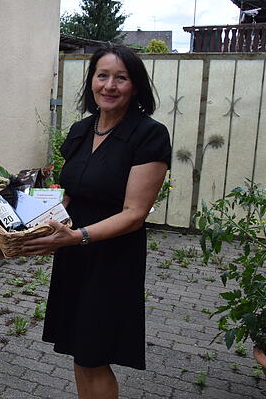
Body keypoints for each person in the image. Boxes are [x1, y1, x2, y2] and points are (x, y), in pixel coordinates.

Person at [22, 45, 171, 399]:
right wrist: (34, 224)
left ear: (136, 86)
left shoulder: (148, 135)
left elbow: (135, 214)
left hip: (113, 255)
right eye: (102, 76)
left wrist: (78, 236)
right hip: (74, 251)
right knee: (78, 348)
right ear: (91, 82)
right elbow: (68, 193)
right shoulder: (79, 131)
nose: (110, 85)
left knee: (96, 355)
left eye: (121, 78)